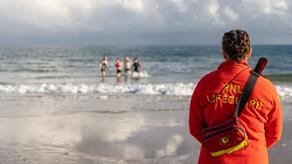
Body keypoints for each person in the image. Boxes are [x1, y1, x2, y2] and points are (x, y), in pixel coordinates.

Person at [189, 29, 282, 164]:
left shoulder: (205, 83)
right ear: (249, 52)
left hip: (213, 159)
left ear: (224, 53)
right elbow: (274, 134)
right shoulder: (266, 87)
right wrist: (247, 147)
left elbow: (195, 129)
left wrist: (221, 145)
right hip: (254, 159)